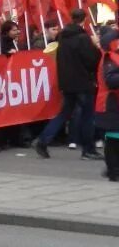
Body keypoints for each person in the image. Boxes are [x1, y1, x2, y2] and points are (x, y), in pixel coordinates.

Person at [35, 9, 103, 160]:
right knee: (88, 115)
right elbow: (92, 60)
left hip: (67, 82)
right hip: (83, 82)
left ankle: (43, 140)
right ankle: (88, 149)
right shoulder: (83, 38)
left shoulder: (62, 38)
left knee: (64, 113)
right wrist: (97, 50)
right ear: (83, 20)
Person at [96, 25, 119, 181]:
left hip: (114, 102)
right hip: (110, 103)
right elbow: (111, 81)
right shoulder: (109, 58)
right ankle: (113, 171)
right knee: (113, 138)